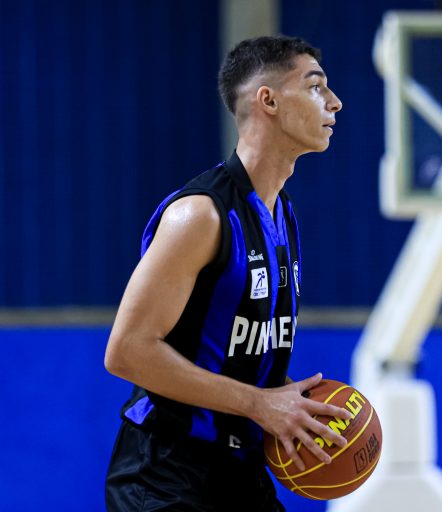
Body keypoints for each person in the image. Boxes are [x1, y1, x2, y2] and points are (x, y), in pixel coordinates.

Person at [104, 35, 347, 511]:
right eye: (315, 86)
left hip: (239, 467)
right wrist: (259, 403)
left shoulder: (282, 214)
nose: (334, 102)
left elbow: (232, 349)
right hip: (164, 472)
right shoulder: (201, 214)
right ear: (268, 100)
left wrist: (291, 404)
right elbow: (127, 351)